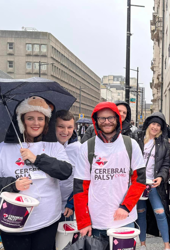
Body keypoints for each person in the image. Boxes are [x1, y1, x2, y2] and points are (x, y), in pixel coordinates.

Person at [0, 96, 72, 250]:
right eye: (30, 118)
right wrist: (12, 184)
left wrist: (37, 159)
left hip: (46, 220)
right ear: (21, 120)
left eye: (40, 118)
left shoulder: (55, 147)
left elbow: (65, 171)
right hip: (14, 221)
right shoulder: (3, 149)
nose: (36, 123)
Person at [74, 102, 146, 241]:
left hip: (124, 220)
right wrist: (83, 221)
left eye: (111, 118)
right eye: (102, 118)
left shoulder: (131, 145)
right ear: (96, 121)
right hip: (96, 222)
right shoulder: (87, 147)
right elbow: (80, 187)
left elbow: (140, 180)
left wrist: (126, 207)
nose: (107, 122)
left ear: (117, 119)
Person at [132, 112, 170, 250]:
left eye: (158, 125)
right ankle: (143, 244)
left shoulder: (164, 143)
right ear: (148, 125)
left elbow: (166, 164)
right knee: (141, 212)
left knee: (160, 212)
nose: (155, 127)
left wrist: (161, 177)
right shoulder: (137, 138)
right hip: (138, 183)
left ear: (161, 128)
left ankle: (167, 246)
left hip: (153, 184)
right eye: (153, 124)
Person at [55, 110, 81, 221]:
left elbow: (81, 180)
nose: (65, 131)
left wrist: (72, 203)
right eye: (61, 126)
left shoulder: (78, 148)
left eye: (69, 127)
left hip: (66, 208)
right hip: (45, 206)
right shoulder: (44, 146)